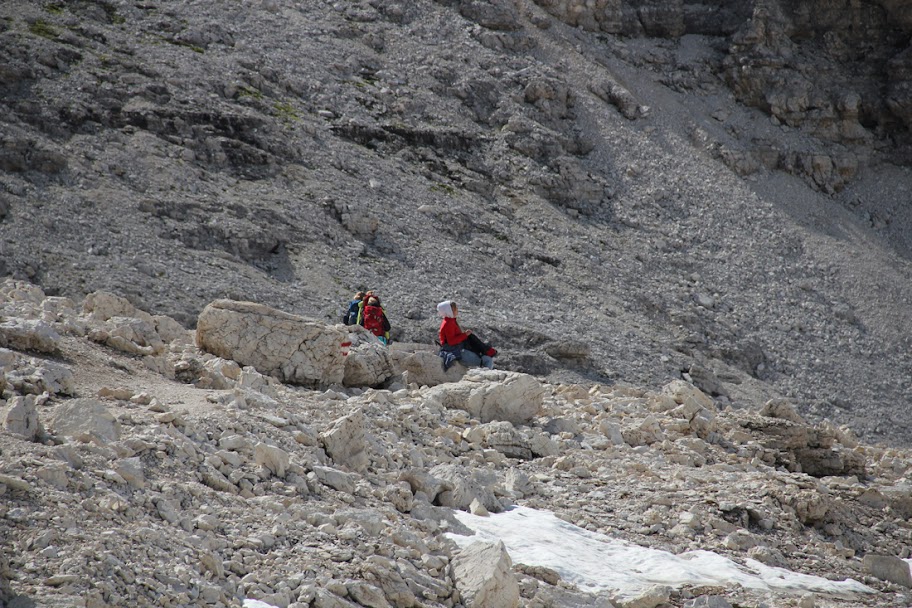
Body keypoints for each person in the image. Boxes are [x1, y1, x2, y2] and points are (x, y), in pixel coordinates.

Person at [437, 300, 496, 371]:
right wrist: (465, 335)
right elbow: (451, 341)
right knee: (487, 360)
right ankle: (486, 378)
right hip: (457, 351)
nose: (457, 310)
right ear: (449, 310)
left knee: (484, 357)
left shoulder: (449, 321)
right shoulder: (449, 323)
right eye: (454, 309)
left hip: (458, 349)